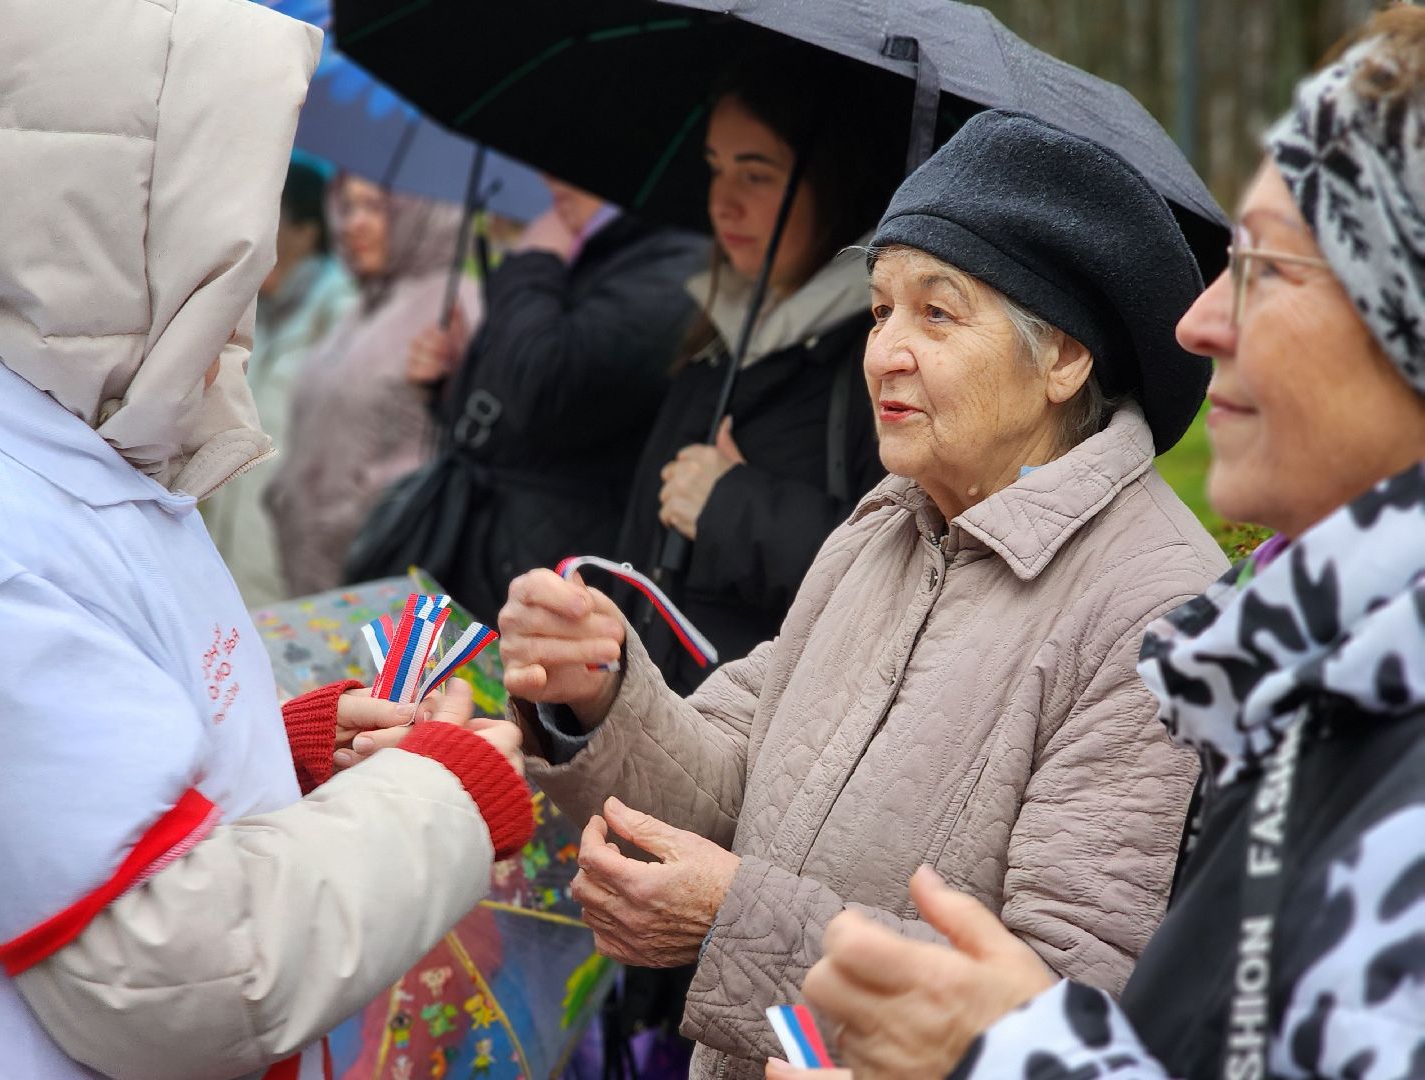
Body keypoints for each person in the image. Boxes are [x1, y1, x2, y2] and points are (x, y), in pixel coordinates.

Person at [487, 108, 1232, 1080]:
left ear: (1063, 358)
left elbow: (1062, 1008)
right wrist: (600, 687)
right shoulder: (890, 521)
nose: (885, 351)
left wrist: (734, 918)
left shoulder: (1151, 606)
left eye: (937, 312)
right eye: (880, 310)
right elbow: (733, 769)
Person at [774, 11, 1425, 1080]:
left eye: (1267, 268)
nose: (1198, 325)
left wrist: (1010, 1055)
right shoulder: (1297, 678)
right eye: (881, 307)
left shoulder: (1177, 618)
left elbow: (1083, 969)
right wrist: (604, 704)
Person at [0, 3, 531, 1078]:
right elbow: (166, 965)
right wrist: (438, 793)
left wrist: (269, 755)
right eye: (239, 191)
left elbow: (63, 788)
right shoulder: (8, 522)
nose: (265, 245)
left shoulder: (72, 440)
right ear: (123, 209)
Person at [613, 55, 898, 697]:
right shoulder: (718, 335)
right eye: (715, 168)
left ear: (835, 183)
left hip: (755, 745)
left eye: (757, 174)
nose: (722, 201)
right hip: (649, 723)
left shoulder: (878, 360)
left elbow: (899, 572)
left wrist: (730, 508)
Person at [393, 176, 707, 622]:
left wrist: (535, 259)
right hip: (485, 549)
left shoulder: (675, 265)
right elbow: (514, 417)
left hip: (545, 572)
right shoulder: (598, 247)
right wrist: (455, 381)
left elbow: (543, 386)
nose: (551, 178)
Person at [266, 172, 481, 597]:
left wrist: (352, 514)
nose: (353, 223)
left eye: (376, 208)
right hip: (318, 574)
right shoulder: (364, 306)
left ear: (422, 214)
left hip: (387, 578)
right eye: (347, 206)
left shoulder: (456, 305)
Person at [201, 158, 356, 608]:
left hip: (286, 557)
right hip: (225, 541)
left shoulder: (345, 319)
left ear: (307, 232)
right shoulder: (255, 307)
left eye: (273, 213)